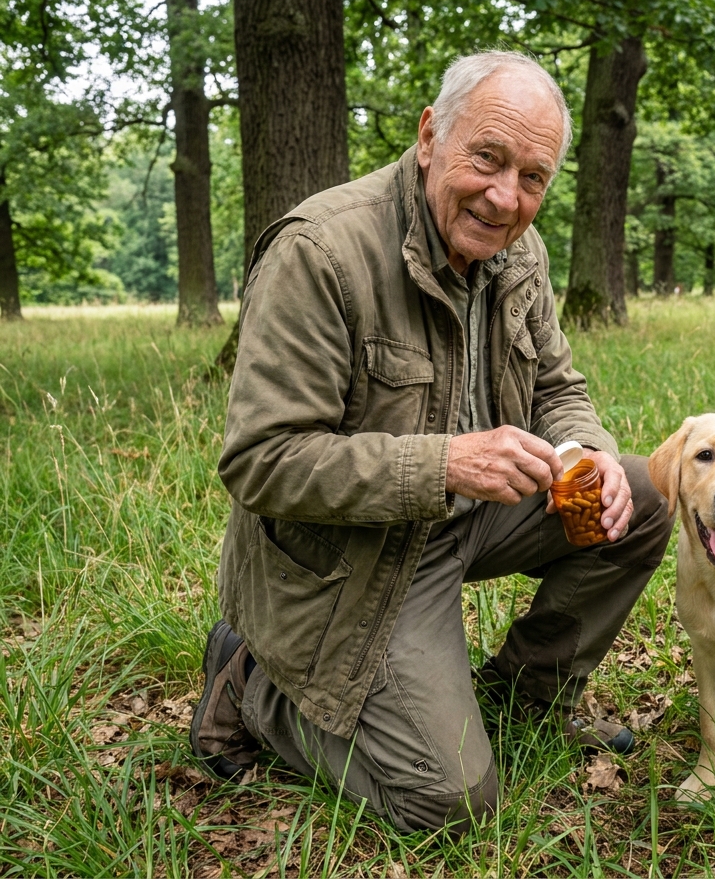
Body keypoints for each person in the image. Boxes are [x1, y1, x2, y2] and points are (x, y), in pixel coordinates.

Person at [189, 51, 672, 835]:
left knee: (647, 496)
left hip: (469, 515)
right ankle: (253, 684)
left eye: (533, 177)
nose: (504, 196)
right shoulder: (321, 252)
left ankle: (526, 699)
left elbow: (557, 387)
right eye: (487, 157)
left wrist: (588, 453)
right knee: (448, 803)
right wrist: (446, 463)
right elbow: (261, 460)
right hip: (353, 554)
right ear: (429, 136)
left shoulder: (522, 253)